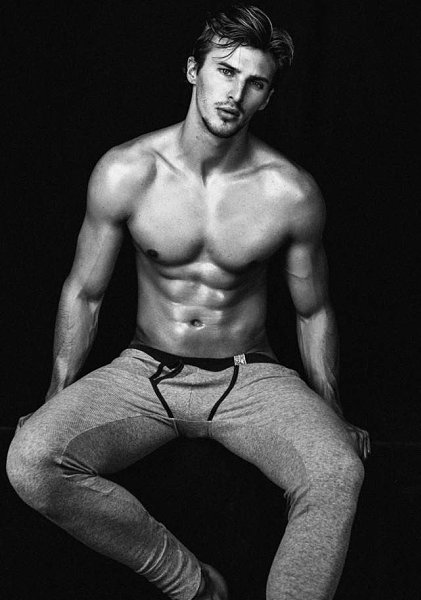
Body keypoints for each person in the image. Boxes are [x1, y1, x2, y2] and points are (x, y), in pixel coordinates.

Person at [7, 5, 370, 600]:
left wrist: (332, 409)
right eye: (226, 71)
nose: (236, 94)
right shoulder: (127, 171)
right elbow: (85, 292)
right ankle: (193, 584)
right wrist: (56, 396)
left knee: (337, 471)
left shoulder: (290, 191)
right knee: (31, 461)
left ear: (268, 98)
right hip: (145, 370)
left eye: (256, 83)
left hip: (250, 377)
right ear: (192, 70)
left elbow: (314, 310)